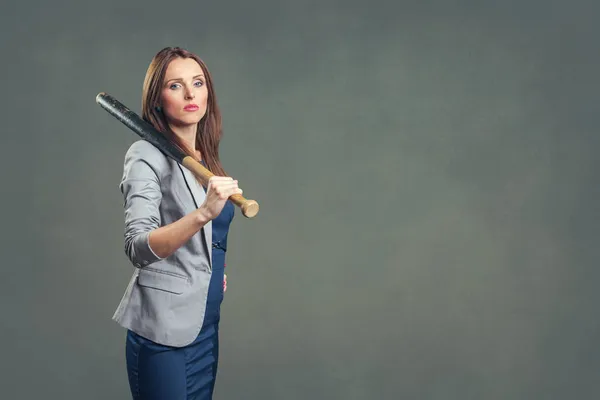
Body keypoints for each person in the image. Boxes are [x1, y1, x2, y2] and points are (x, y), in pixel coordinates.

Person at [111, 46, 242, 399]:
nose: (189, 94)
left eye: (197, 83)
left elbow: (209, 240)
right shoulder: (145, 156)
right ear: (157, 100)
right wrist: (202, 213)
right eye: (175, 86)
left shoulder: (204, 158)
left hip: (204, 324)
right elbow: (138, 247)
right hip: (164, 333)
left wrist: (211, 269)